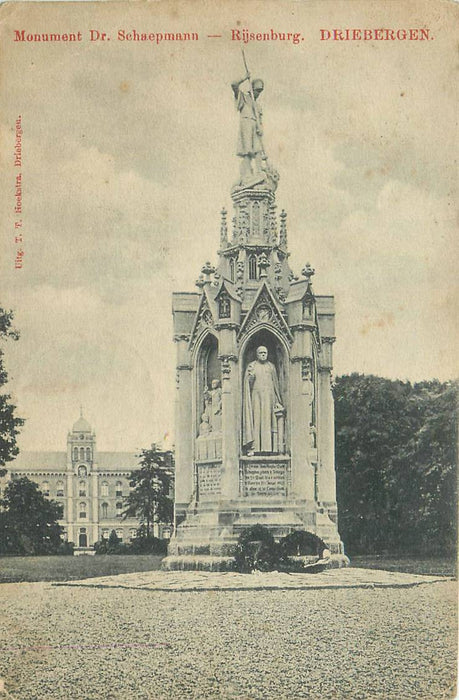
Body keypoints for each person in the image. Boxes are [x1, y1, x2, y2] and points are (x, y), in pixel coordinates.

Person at [243, 346, 284, 453]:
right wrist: (250, 378)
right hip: (256, 398)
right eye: (261, 353)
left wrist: (277, 400)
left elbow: (275, 384)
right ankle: (255, 447)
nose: (263, 355)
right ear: (257, 354)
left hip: (269, 398)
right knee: (256, 421)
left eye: (265, 353)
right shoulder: (252, 366)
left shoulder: (271, 367)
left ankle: (269, 448)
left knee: (268, 421)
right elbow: (247, 384)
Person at [231, 75, 265, 184]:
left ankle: (259, 172)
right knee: (247, 150)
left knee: (258, 149)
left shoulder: (257, 106)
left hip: (255, 126)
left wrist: (260, 128)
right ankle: (247, 174)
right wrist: (244, 78)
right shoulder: (244, 98)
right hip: (246, 124)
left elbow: (260, 121)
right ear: (252, 89)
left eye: (260, 91)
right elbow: (234, 84)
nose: (258, 93)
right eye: (256, 90)